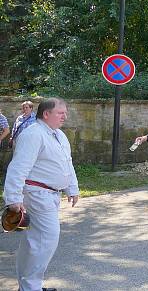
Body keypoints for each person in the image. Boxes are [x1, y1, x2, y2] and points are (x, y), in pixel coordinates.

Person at [3, 97, 80, 291]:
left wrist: (72, 187)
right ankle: (30, 287)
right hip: (36, 194)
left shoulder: (58, 135)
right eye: (60, 113)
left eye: (65, 112)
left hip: (51, 195)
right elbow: (18, 168)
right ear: (46, 114)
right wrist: (13, 198)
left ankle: (29, 286)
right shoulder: (33, 134)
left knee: (35, 243)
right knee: (44, 241)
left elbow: (67, 163)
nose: (65, 116)